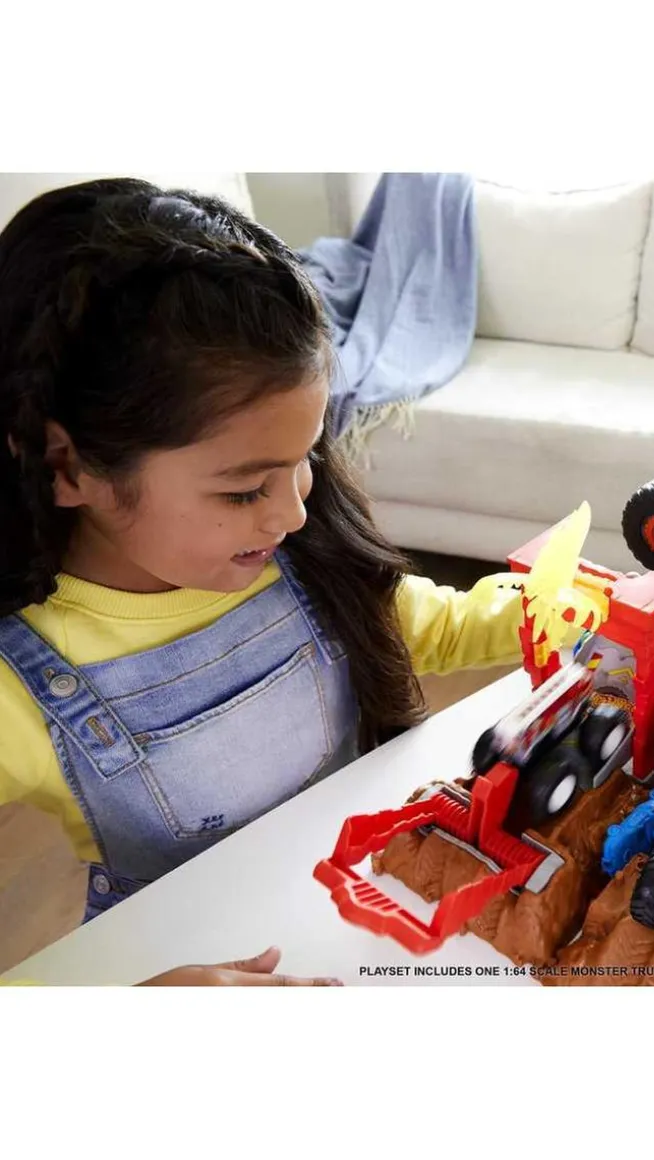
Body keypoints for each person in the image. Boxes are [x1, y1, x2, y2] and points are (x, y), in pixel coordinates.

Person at [0, 177, 528, 984]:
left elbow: (441, 625)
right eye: (246, 489)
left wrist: (568, 603)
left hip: (362, 927)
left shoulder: (301, 559)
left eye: (306, 458)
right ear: (66, 466)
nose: (293, 513)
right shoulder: (18, 685)